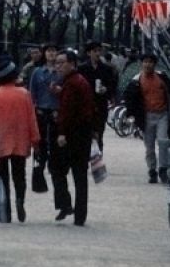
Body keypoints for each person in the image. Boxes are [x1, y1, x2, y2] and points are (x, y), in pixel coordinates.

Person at [0, 59, 40, 222]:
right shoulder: (24, 94)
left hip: (0, 142)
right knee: (19, 175)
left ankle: (6, 210)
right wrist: (35, 140)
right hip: (20, 141)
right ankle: (20, 200)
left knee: (2, 177)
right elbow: (32, 119)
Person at [123, 49, 170, 184]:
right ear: (141, 64)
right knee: (149, 147)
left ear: (155, 64)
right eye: (145, 62)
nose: (147, 65)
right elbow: (128, 98)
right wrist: (131, 115)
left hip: (162, 115)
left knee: (163, 142)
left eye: (150, 62)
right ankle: (152, 170)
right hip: (147, 117)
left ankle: (163, 169)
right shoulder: (136, 81)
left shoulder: (162, 78)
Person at [51, 48, 94, 227]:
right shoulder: (78, 81)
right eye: (57, 63)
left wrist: (61, 132)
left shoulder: (72, 83)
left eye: (62, 62)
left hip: (72, 135)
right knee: (80, 175)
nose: (58, 66)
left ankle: (66, 204)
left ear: (72, 63)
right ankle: (79, 214)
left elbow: (67, 111)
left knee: (57, 168)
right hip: (82, 133)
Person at [29, 43, 60, 194]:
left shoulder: (61, 72)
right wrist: (34, 110)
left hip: (56, 112)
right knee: (39, 144)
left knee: (55, 144)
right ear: (44, 54)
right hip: (41, 112)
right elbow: (32, 93)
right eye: (48, 51)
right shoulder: (37, 72)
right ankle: (38, 172)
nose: (51, 54)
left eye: (54, 51)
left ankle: (54, 168)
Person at [78, 40, 118, 153]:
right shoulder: (82, 69)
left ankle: (97, 160)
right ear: (88, 53)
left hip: (100, 105)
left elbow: (113, 86)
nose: (97, 53)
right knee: (85, 134)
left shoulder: (107, 69)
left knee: (99, 134)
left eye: (99, 51)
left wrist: (107, 90)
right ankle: (84, 160)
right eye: (94, 51)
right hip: (85, 105)